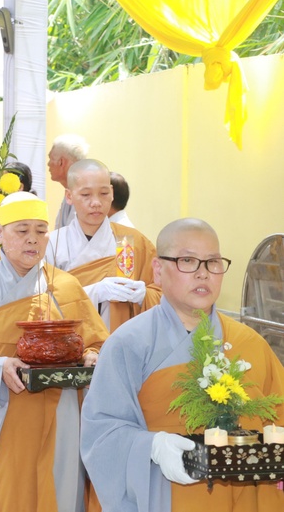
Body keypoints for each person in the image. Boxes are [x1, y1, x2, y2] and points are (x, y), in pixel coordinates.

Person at [81, 218, 284, 512]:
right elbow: (100, 434)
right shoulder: (128, 343)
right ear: (158, 271)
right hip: (166, 496)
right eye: (187, 261)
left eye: (213, 262)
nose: (204, 274)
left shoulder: (251, 343)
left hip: (246, 499)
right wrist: (152, 446)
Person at [0, 192, 108, 512]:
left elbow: (98, 341)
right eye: (22, 231)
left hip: (64, 412)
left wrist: (93, 354)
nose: (33, 240)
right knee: (13, 493)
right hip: (6, 411)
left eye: (40, 230)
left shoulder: (66, 286)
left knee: (62, 490)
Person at [46, 159, 160, 332]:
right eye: (86, 195)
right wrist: (95, 292)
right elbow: (40, 306)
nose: (96, 202)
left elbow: (165, 293)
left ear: (112, 193)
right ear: (69, 196)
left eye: (104, 193)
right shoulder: (52, 245)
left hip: (122, 347)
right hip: (70, 348)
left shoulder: (131, 241)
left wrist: (145, 296)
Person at [48, 134, 89, 228]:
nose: (48, 164)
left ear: (61, 162)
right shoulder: (71, 189)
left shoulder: (85, 194)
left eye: (51, 159)